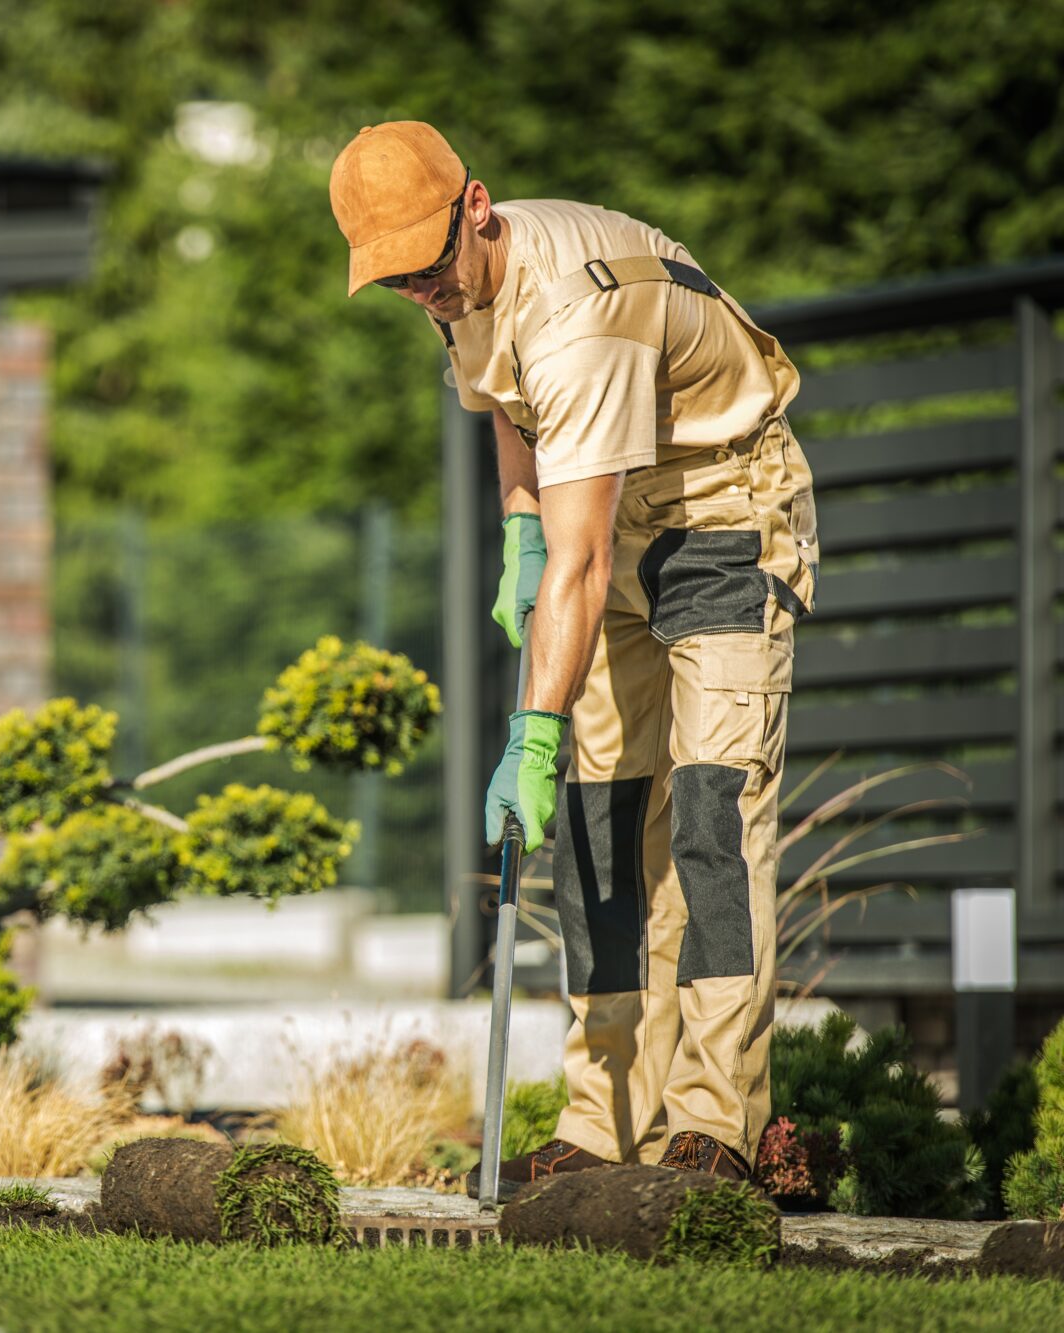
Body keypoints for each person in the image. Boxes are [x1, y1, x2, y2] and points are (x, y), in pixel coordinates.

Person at [329, 121, 819, 1197]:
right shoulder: (462, 288)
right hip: (611, 516)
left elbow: (584, 559)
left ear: (476, 208)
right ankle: (602, 1123)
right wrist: (517, 532)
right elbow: (508, 406)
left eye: (428, 267)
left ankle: (713, 1124)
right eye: (397, 281)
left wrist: (533, 732)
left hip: (722, 515)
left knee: (707, 813)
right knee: (598, 825)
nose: (423, 292)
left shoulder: (578, 316)